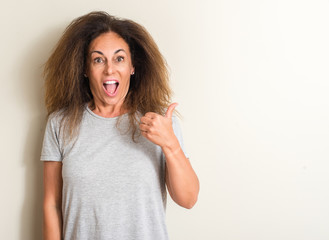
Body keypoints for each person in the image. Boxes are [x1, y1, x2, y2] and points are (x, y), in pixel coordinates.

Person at [41, 11, 199, 240]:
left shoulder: (161, 123)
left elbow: (188, 199)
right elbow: (52, 205)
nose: (109, 69)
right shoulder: (60, 123)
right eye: (98, 59)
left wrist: (171, 145)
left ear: (132, 67)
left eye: (119, 58)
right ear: (85, 69)